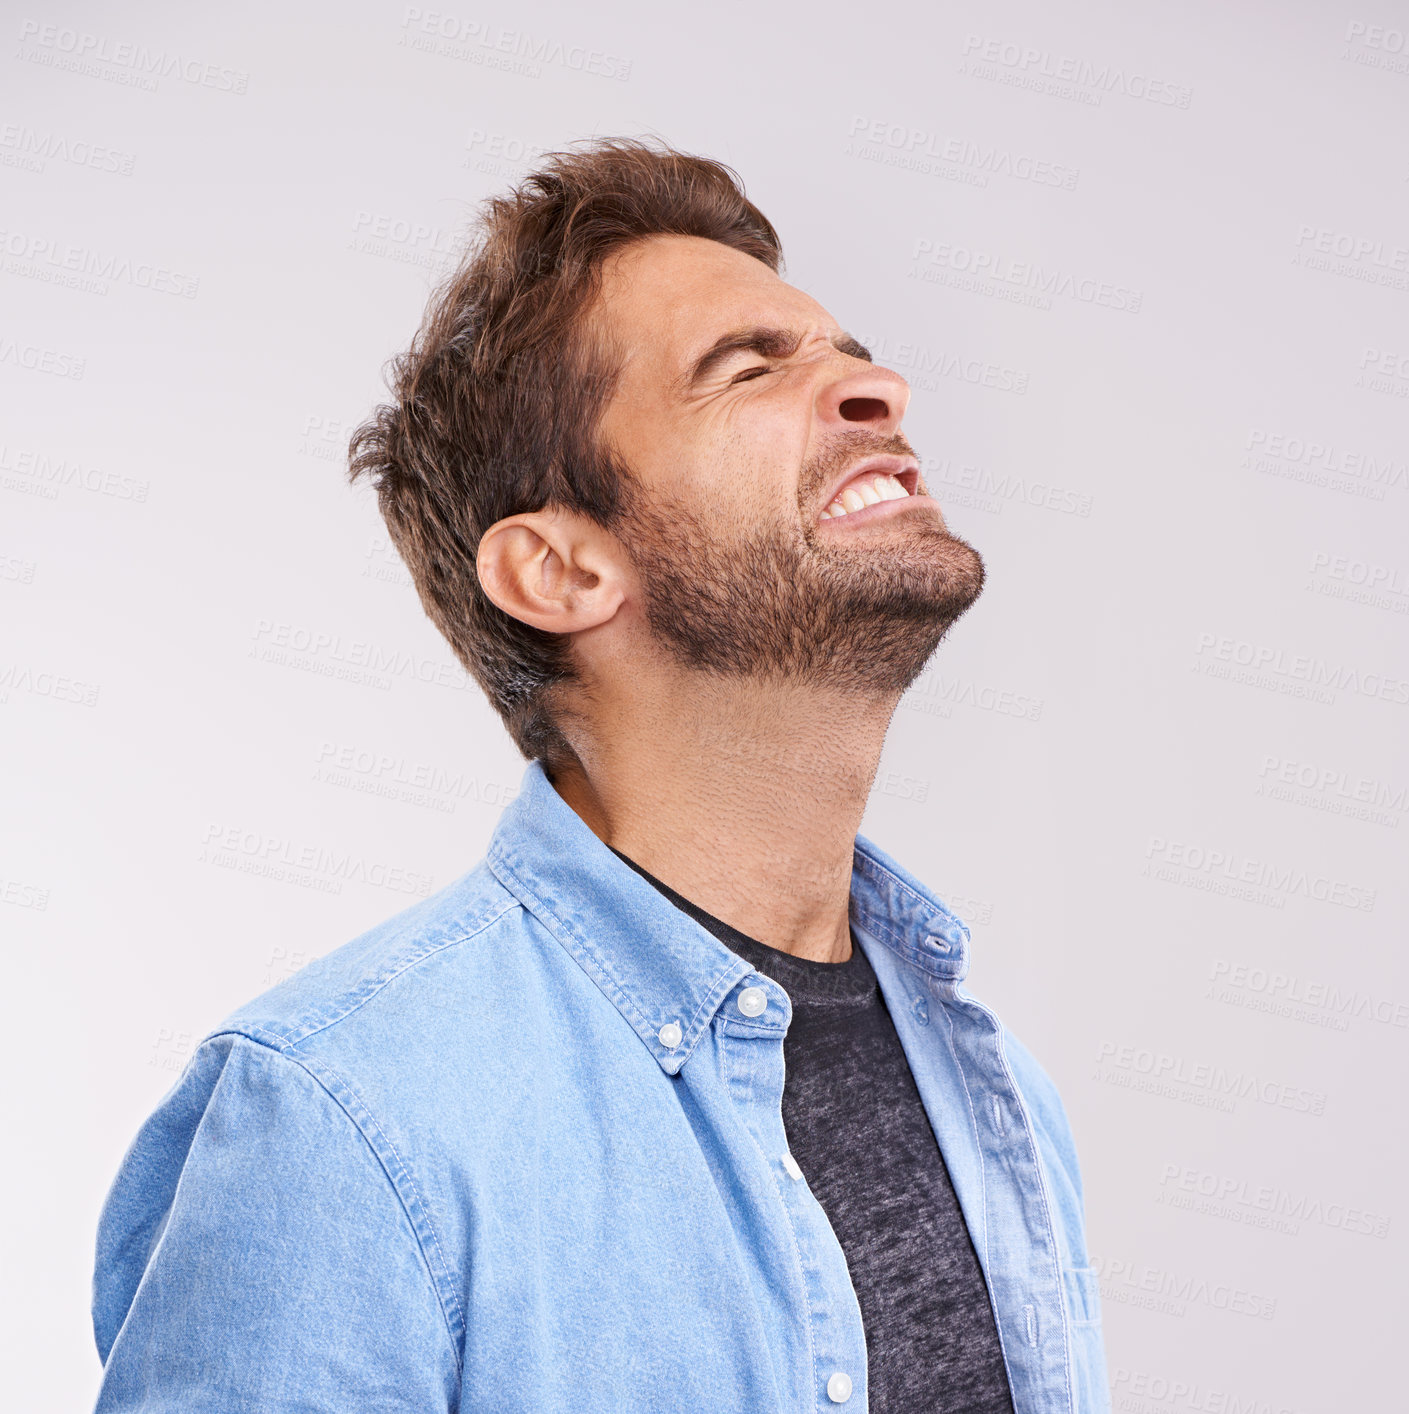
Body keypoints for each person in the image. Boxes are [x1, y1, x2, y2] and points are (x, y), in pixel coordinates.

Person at [91, 138, 1108, 1413]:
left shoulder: (995, 1085)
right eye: (749, 368)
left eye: (851, 355)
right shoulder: (337, 1117)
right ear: (561, 571)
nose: (877, 389)